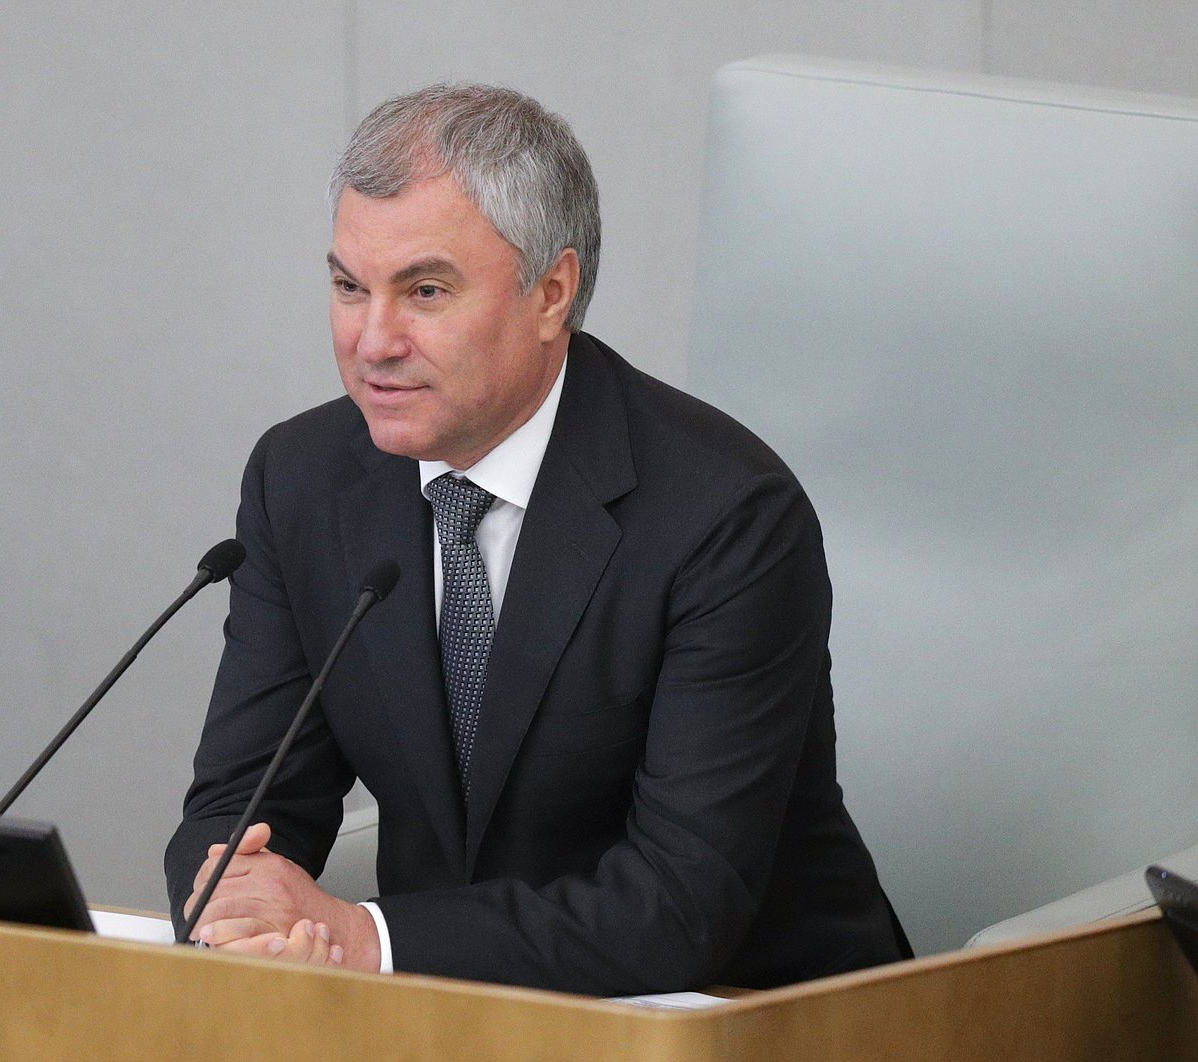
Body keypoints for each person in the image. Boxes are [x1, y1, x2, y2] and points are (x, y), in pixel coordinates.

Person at [164, 83, 909, 995]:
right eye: (350, 287)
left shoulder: (725, 516)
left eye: (425, 291)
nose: (373, 341)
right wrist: (238, 910)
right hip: (455, 1012)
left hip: (750, 1013)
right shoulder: (304, 481)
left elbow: (681, 902)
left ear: (552, 293)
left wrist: (365, 938)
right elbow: (244, 806)